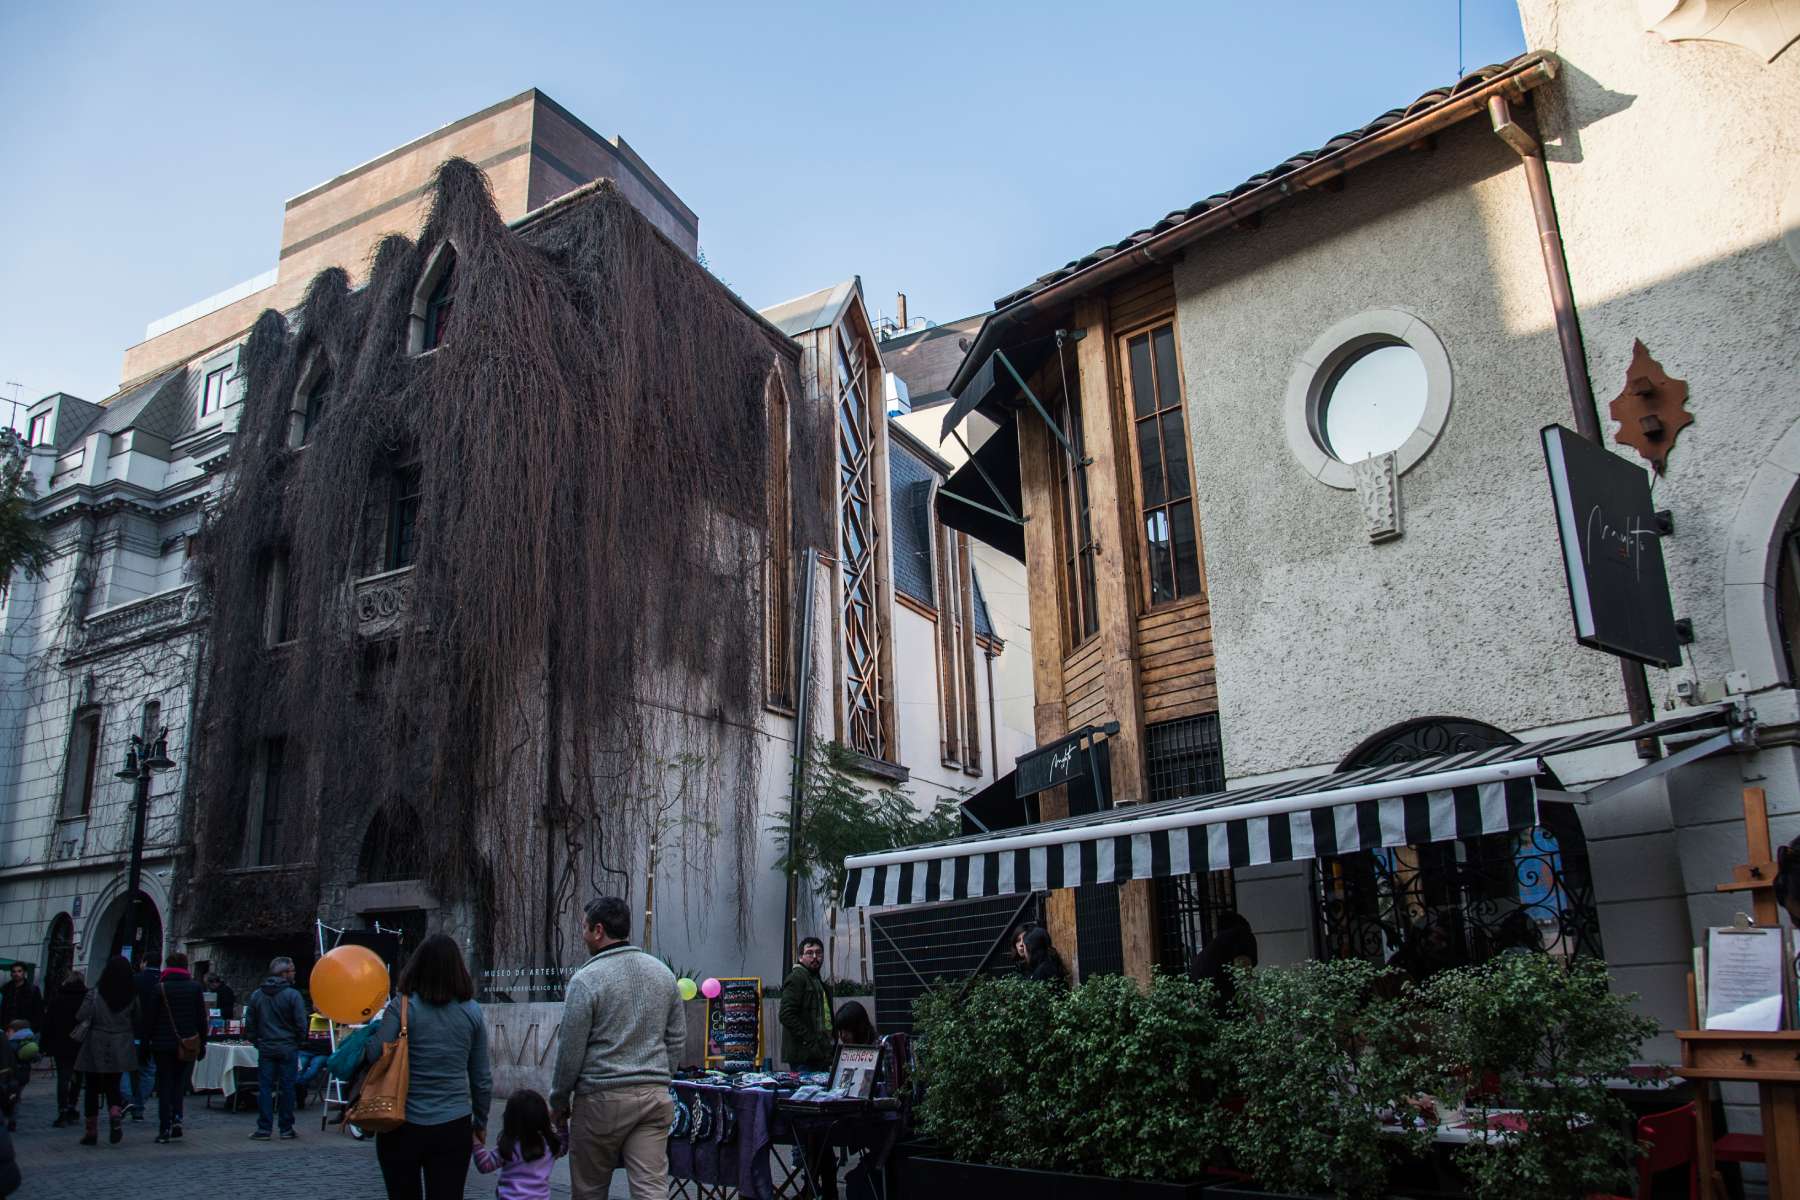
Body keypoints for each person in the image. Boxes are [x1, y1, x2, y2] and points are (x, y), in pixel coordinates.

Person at [549, 896, 682, 1200]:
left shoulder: (586, 980)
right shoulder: (663, 974)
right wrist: (662, 1075)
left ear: (598, 930)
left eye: (583, 928)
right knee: (652, 1190)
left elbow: (570, 1048)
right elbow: (676, 1037)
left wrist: (559, 1101)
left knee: (590, 1190)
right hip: (653, 1098)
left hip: (600, 1099)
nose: (582, 935)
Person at [364, 933, 491, 1200]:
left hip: (401, 1123)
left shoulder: (402, 1007)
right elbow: (481, 1077)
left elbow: (375, 1054)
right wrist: (480, 1121)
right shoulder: (472, 1012)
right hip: (453, 1124)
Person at [74, 955, 139, 1147]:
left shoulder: (95, 993)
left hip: (95, 1042)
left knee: (92, 1088)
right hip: (121, 1042)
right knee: (113, 1084)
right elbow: (138, 1018)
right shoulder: (132, 995)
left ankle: (91, 1131)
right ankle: (115, 1112)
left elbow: (81, 1015)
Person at [146, 950, 207, 1144]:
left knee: (165, 1084)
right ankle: (178, 1119)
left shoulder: (160, 988)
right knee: (180, 1083)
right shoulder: (194, 988)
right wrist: (202, 1043)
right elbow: (201, 1018)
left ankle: (164, 1127)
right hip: (187, 1043)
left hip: (162, 1044)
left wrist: (146, 1042)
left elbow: (150, 1019)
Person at [244, 955, 307, 1140]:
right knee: (287, 1087)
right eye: (292, 970)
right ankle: (286, 1128)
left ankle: (264, 1128)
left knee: (265, 1087)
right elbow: (301, 1023)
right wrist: (298, 1041)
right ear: (285, 973)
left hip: (267, 1046)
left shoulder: (258, 994)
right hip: (287, 1046)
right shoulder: (292, 995)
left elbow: (250, 1023)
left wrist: (257, 1041)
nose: (294, 974)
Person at [473, 1088, 566, 1200]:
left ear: (510, 1118)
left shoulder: (509, 1145)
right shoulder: (550, 1145)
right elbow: (564, 1146)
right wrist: (562, 1121)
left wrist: (475, 1140)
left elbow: (484, 1165)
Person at [779, 937, 833, 1070]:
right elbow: (786, 1014)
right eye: (809, 953)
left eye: (819, 953)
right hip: (804, 1057)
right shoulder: (797, 978)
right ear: (801, 957)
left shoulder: (817, 981)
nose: (815, 957)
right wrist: (810, 1040)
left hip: (820, 1054)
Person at [42, 969, 86, 1127]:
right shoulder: (85, 999)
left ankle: (62, 1109)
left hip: (60, 1043)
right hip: (80, 1043)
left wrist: (44, 1045)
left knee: (63, 1077)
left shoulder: (58, 999)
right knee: (77, 1077)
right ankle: (72, 1106)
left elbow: (48, 1023)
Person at [1189, 911, 1258, 1009]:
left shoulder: (1202, 956)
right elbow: (1245, 979)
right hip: (1230, 1013)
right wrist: (1261, 1019)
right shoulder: (1240, 935)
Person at [127, 951, 162, 1120]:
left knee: (128, 1067)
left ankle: (127, 1099)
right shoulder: (163, 981)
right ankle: (139, 1106)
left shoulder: (135, 979)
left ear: (145, 962)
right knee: (149, 1071)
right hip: (156, 1034)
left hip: (134, 1030)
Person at [0, 966, 43, 1034]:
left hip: (24, 1029)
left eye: (19, 971)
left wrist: (33, 1029)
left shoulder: (33, 990)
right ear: (11, 974)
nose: (16, 974)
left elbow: (38, 1011)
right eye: (14, 971)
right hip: (6, 1028)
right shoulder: (5, 989)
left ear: (24, 973)